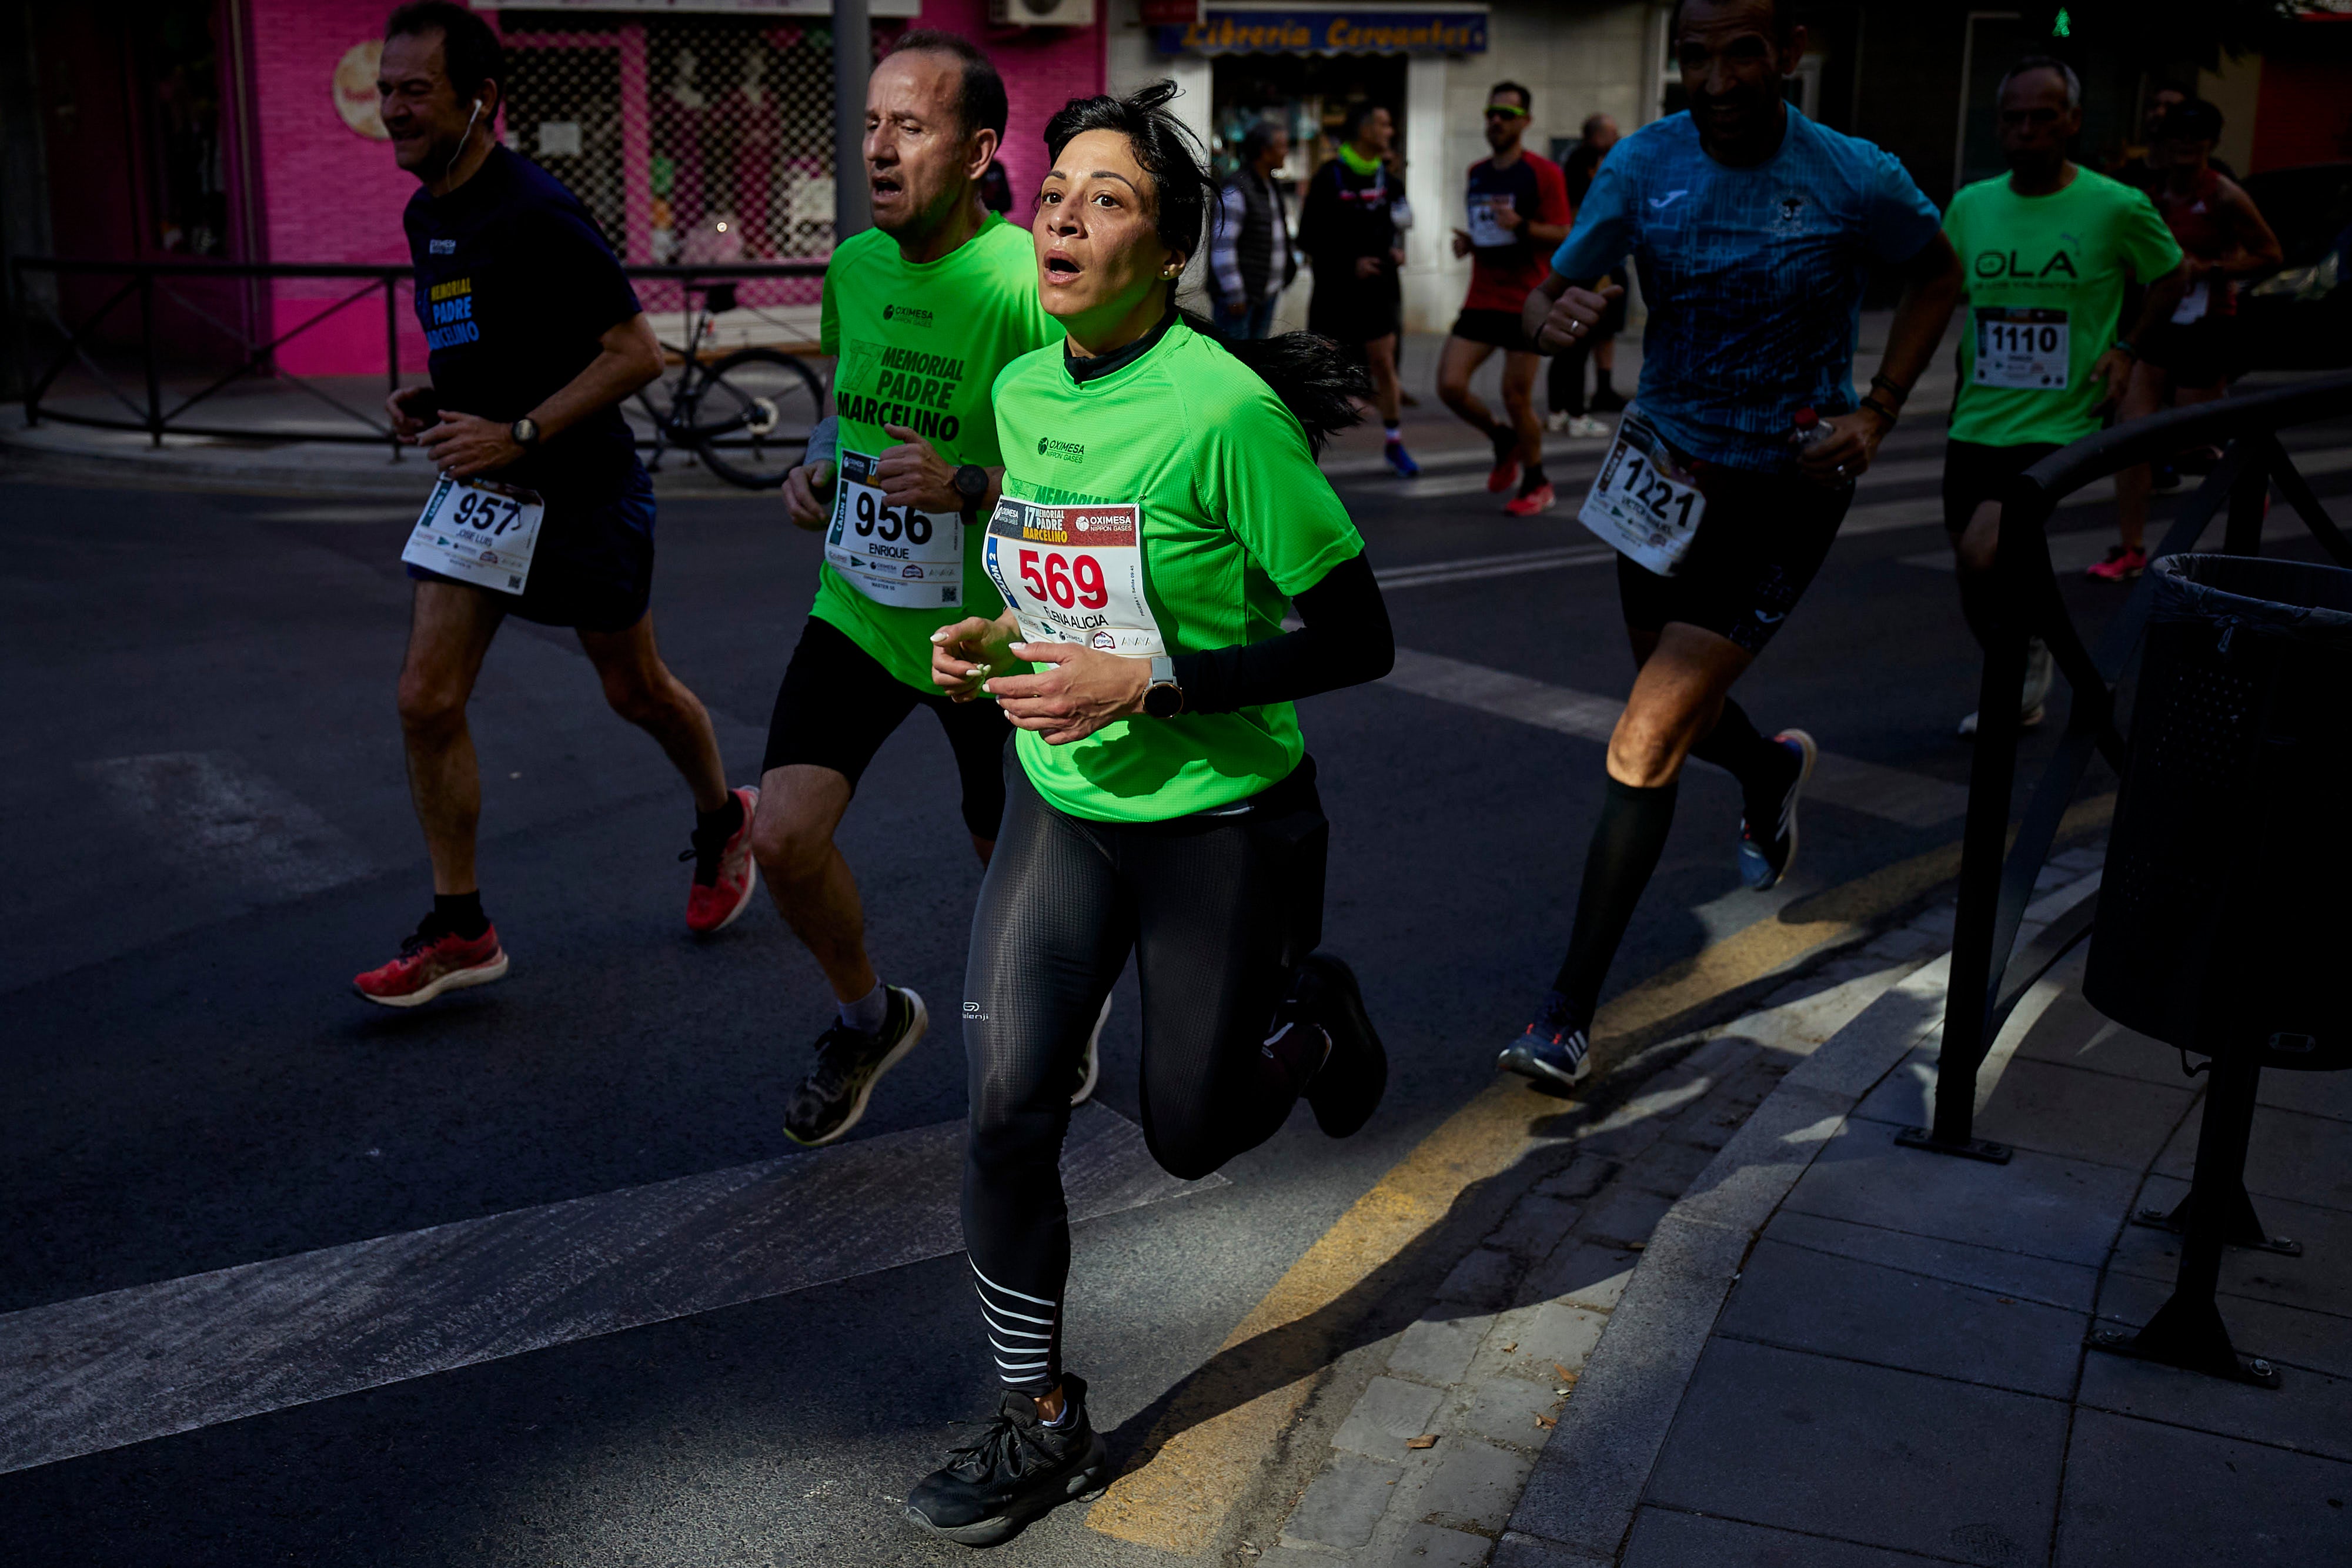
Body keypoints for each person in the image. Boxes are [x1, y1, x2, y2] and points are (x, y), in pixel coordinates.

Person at [904, 81, 1395, 1546]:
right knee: (1003, 1113)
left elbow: (1359, 637)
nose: (1060, 213)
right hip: (1065, 803)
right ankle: (1038, 1419)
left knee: (1184, 1134)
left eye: (1103, 197)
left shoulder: (1227, 414)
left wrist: (1161, 681)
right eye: (1054, 191)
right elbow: (1043, 580)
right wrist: (987, 643)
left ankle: (1316, 1018)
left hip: (1225, 817)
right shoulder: (1021, 389)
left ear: (1169, 246)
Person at [1506, 0, 1962, 1089]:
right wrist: (1552, 320)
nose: (1717, 80)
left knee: (1648, 729)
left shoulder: (1854, 173)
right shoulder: (1641, 166)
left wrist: (1882, 410)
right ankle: (1769, 768)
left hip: (1788, 481)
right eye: (1696, 57)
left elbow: (1937, 272)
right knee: (1676, 711)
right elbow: (1549, 293)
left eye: (1742, 53)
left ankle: (1565, 1015)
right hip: (1661, 476)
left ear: (1790, 52)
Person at [356, 1, 755, 1008]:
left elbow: (635, 352)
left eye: (414, 91)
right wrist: (445, 400)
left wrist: (522, 430)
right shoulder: (427, 210)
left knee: (636, 691)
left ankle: (723, 820)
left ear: (480, 99)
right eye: (385, 89)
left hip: (580, 494)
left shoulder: (536, 208)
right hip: (483, 496)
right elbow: (485, 334)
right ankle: (462, 925)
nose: (392, 109)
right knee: (424, 698)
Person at [763, 33, 1078, 1147]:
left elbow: (1104, 459)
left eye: (913, 127)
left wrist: (971, 486)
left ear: (981, 148)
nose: (879, 151)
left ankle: (1058, 1007)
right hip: (857, 600)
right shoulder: (853, 266)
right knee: (782, 840)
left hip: (987, 626)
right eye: (869, 125)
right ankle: (870, 1017)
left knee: (1008, 854)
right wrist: (812, 464)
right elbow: (843, 407)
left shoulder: (1029, 285)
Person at [1942, 57, 2186, 734]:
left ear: (2072, 122)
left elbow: (2170, 275)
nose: (2026, 131)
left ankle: (2026, 672)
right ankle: (2024, 653)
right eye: (2013, 119)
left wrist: (2125, 348)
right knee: (1972, 567)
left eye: (2042, 117)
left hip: (2061, 413)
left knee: (1985, 550)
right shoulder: (1971, 205)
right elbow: (1945, 294)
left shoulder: (2115, 205)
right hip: (1977, 416)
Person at [2098, 96, 2282, 582]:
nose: (2185, 145)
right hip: (2156, 323)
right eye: (2178, 135)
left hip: (2208, 326)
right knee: (2131, 435)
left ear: (2211, 144)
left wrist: (2208, 270)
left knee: (2186, 446)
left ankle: (2245, 476)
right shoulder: (2150, 194)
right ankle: (2131, 549)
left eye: (2196, 138)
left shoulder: (2222, 195)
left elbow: (2270, 254)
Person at [1440, 82, 1573, 516]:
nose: (1495, 120)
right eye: (1491, 112)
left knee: (1516, 397)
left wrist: (1522, 226)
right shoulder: (1477, 172)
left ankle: (1537, 481)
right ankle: (1502, 439)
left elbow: (1565, 232)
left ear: (1525, 122)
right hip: (1482, 296)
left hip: (1526, 298)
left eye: (1506, 113)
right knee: (1450, 385)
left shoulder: (1544, 173)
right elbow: (1489, 231)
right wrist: (1472, 244)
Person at [1299, 101, 1417, 476]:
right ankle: (1302, 454)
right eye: (1383, 123)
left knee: (1384, 364)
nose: (1389, 131)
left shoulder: (1390, 181)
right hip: (1335, 291)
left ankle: (1395, 444)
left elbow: (1400, 223)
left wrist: (1396, 251)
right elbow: (1308, 237)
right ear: (1364, 129)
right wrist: (1350, 263)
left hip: (1378, 291)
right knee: (1323, 369)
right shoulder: (1329, 176)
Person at [1549, 112, 1628, 437]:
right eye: (1612, 132)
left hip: (1578, 260)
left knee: (1571, 340)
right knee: (1579, 338)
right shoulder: (1585, 168)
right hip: (1589, 264)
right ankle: (1577, 415)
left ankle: (1558, 411)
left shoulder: (1573, 163)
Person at [1209, 116, 1297, 340]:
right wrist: (1234, 292)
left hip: (1264, 294)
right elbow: (1223, 245)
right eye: (1281, 146)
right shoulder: (1237, 188)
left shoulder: (1270, 185)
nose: (1286, 151)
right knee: (1235, 362)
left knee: (1256, 362)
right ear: (1264, 151)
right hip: (1240, 299)